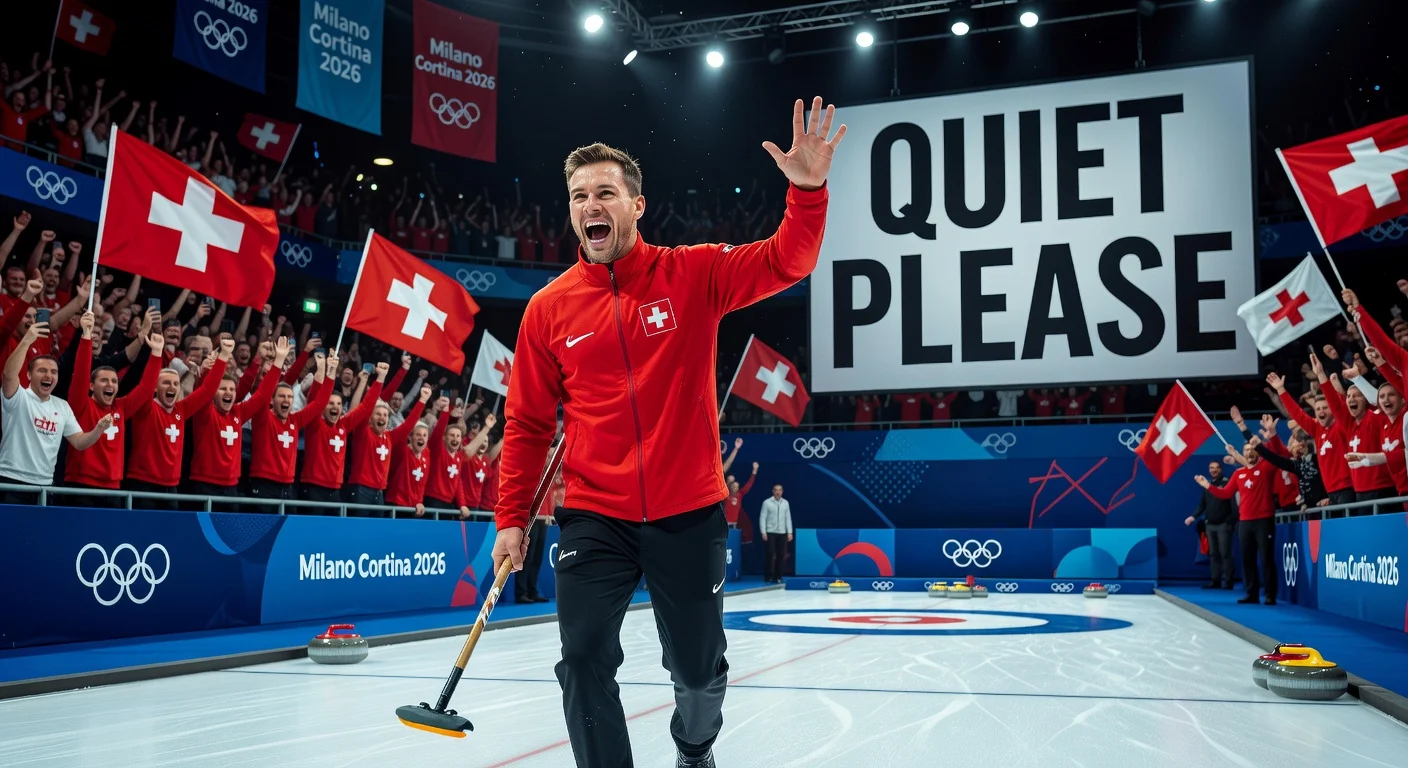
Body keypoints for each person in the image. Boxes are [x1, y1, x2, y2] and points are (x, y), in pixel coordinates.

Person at [492, 95, 842, 768]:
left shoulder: (693, 273)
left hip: (689, 512)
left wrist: (807, 193)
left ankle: (694, 747)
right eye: (578, 196)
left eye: (604, 193)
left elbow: (786, 261)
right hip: (594, 514)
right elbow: (529, 424)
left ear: (636, 205)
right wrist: (515, 518)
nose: (590, 205)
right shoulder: (547, 311)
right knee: (584, 656)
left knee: (698, 669)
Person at [0, 321, 111, 504]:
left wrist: (98, 429)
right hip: (12, 482)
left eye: (54, 372)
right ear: (28, 375)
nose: (49, 376)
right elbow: (8, 375)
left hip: (45, 485)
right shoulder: (18, 397)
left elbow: (79, 442)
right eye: (42, 370)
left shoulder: (62, 406)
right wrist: (27, 340)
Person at [64, 312, 162, 503]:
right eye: (104, 380)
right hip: (81, 486)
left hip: (113, 488)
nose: (110, 385)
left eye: (114, 381)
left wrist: (156, 353)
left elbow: (146, 388)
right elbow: (81, 373)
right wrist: (86, 336)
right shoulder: (80, 404)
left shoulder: (121, 407)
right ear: (91, 386)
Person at [125, 339, 231, 509]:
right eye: (166, 383)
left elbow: (207, 391)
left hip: (172, 487)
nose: (172, 387)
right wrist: (156, 354)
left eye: (175, 383)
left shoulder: (181, 410)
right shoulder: (145, 407)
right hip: (143, 484)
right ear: (155, 388)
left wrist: (223, 357)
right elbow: (145, 385)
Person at [186, 338, 290, 499]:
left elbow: (262, 394)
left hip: (232, 487)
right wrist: (221, 359)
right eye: (222, 389)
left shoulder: (238, 413)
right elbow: (204, 391)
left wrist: (279, 361)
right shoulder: (204, 412)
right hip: (205, 486)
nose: (229, 392)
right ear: (214, 393)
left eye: (232, 389)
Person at [1195, 440, 1278, 605]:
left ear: (1258, 452)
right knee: (1248, 560)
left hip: (1264, 521)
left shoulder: (1266, 468)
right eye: (1246, 450)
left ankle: (1270, 595)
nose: (1249, 452)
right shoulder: (1238, 474)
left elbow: (1276, 456)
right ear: (1244, 453)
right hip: (1245, 522)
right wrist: (1207, 486)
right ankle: (1252, 594)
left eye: (1253, 449)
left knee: (1266, 559)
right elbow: (1226, 493)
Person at [247, 350, 332, 504]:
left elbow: (319, 404)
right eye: (282, 396)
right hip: (264, 485)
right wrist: (278, 360)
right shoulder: (263, 417)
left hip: (288, 487)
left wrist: (326, 372)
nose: (287, 399)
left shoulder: (295, 420)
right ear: (272, 401)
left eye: (290, 397)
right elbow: (263, 394)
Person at [298, 362, 386, 509]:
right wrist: (330, 374)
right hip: (313, 488)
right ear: (322, 406)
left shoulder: (344, 426)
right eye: (330, 403)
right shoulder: (315, 423)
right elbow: (314, 400)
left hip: (336, 490)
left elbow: (366, 407)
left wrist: (380, 378)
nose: (335, 407)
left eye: (339, 404)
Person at [1269, 367, 1354, 505]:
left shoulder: (1341, 426)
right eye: (1318, 409)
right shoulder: (1317, 430)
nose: (1321, 411)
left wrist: (1321, 374)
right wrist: (1281, 390)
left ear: (1332, 409)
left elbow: (1339, 406)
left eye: (1325, 408)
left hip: (1348, 489)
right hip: (1330, 492)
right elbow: (1297, 413)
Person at [346, 383, 432, 511]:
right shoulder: (363, 432)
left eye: (385, 415)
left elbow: (408, 424)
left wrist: (422, 400)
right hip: (361, 489)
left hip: (379, 492)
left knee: (378, 531)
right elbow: (365, 408)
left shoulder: (390, 437)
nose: (382, 417)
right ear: (369, 418)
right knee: (360, 530)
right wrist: (379, 381)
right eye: (378, 414)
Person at [1183, 460, 1236, 590]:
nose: (1214, 470)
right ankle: (1215, 580)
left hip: (1224, 524)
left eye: (1216, 468)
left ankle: (1228, 581)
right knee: (1213, 554)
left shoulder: (1227, 483)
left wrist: (1230, 521)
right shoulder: (1207, 485)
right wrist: (1193, 516)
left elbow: (1234, 505)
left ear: (1221, 469)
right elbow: (1202, 505)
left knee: (1225, 554)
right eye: (1211, 468)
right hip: (1210, 525)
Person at [759, 484, 794, 583]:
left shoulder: (786, 503)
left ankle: (778, 576)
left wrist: (790, 532)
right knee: (769, 554)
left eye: (779, 490)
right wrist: (763, 532)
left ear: (782, 492)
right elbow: (762, 517)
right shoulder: (767, 502)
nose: (778, 492)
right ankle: (768, 576)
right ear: (773, 491)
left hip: (782, 532)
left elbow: (788, 518)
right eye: (776, 490)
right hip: (770, 532)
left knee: (781, 555)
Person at [724, 461, 757, 528]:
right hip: (724, 523)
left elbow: (748, 485)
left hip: (735, 524)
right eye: (733, 486)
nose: (734, 488)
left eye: (736, 487)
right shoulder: (726, 495)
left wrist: (754, 472)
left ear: (738, 488)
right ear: (730, 486)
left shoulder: (739, 495)